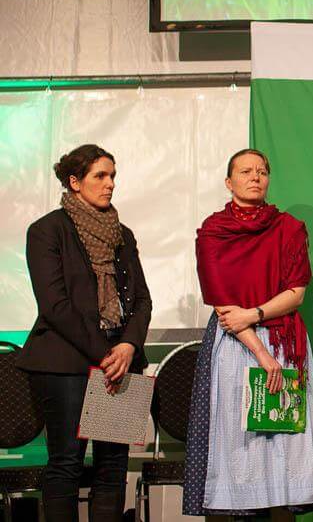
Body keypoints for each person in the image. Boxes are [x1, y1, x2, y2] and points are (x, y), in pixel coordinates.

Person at [182, 149, 313, 519]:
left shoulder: (289, 228)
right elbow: (223, 306)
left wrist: (256, 313)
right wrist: (261, 354)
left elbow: (296, 292)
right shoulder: (213, 232)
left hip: (284, 340)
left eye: (262, 171)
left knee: (283, 445)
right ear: (229, 182)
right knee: (240, 445)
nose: (255, 177)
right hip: (237, 345)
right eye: (245, 171)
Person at [19, 144, 152, 521]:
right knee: (67, 464)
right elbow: (55, 306)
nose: (110, 184)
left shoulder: (122, 233)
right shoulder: (47, 230)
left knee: (112, 468)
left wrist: (127, 345)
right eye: (100, 176)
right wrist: (108, 354)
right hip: (65, 365)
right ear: (74, 182)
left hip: (119, 363)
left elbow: (142, 300)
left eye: (113, 176)